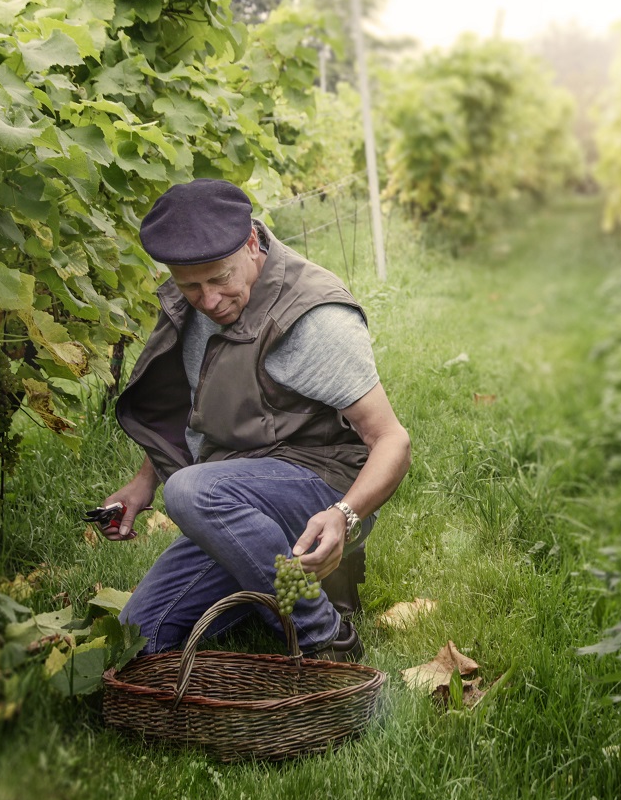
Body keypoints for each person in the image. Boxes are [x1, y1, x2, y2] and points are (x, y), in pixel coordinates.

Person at [100, 179, 410, 662]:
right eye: (190, 286)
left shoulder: (312, 317)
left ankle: (322, 634)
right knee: (139, 639)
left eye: (220, 279)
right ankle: (279, 578)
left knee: (189, 490)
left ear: (251, 243)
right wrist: (143, 484)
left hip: (321, 487)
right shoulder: (197, 302)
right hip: (233, 494)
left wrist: (344, 516)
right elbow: (199, 403)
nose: (207, 300)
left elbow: (391, 440)